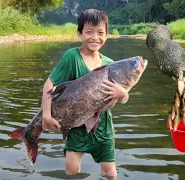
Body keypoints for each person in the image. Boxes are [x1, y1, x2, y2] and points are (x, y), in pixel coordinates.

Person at [41, 9, 128, 179]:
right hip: (76, 125)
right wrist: (46, 115)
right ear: (79, 33)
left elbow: (115, 100)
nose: (95, 37)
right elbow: (49, 85)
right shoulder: (72, 57)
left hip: (104, 128)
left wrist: (123, 94)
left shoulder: (110, 65)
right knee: (72, 171)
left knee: (110, 173)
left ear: (107, 35)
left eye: (100, 32)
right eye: (89, 32)